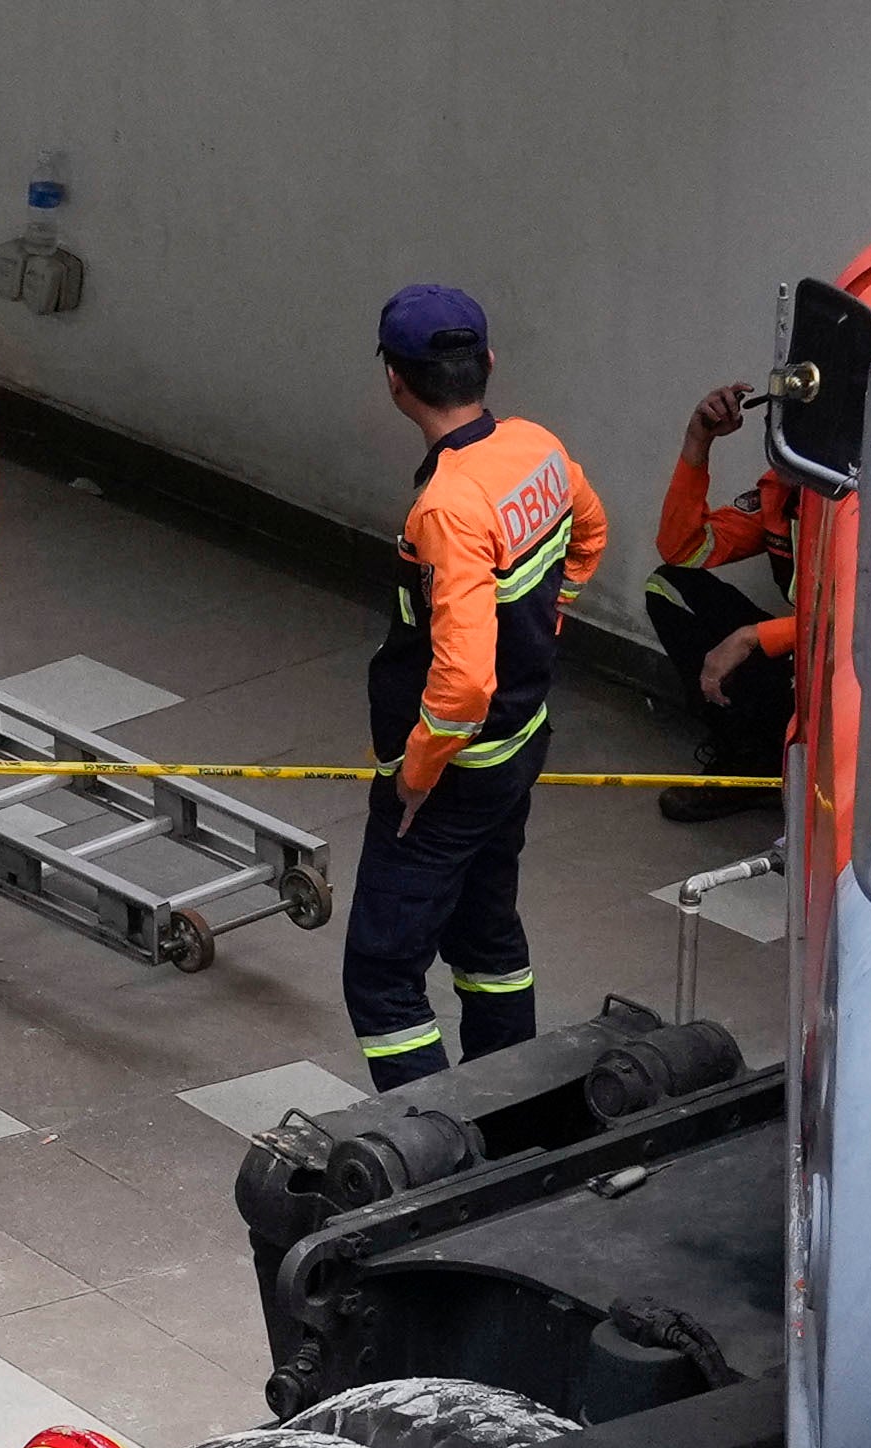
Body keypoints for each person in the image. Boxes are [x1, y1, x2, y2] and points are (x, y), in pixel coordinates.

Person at [354, 292, 597, 1084]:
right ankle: (513, 1106)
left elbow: (460, 684)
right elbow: (590, 530)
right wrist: (548, 614)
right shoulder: (538, 448)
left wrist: (416, 777)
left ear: (396, 381)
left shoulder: (449, 506)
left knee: (383, 978)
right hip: (522, 743)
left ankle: (440, 1157)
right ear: (488, 364)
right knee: (486, 935)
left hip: (457, 770)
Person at [650, 376, 800, 818]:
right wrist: (698, 443)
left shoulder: (867, 497)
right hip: (807, 643)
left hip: (856, 664)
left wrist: (755, 636)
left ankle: (780, 762)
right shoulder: (780, 492)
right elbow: (683, 548)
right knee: (669, 586)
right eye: (777, 423)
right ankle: (747, 761)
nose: (781, 437)